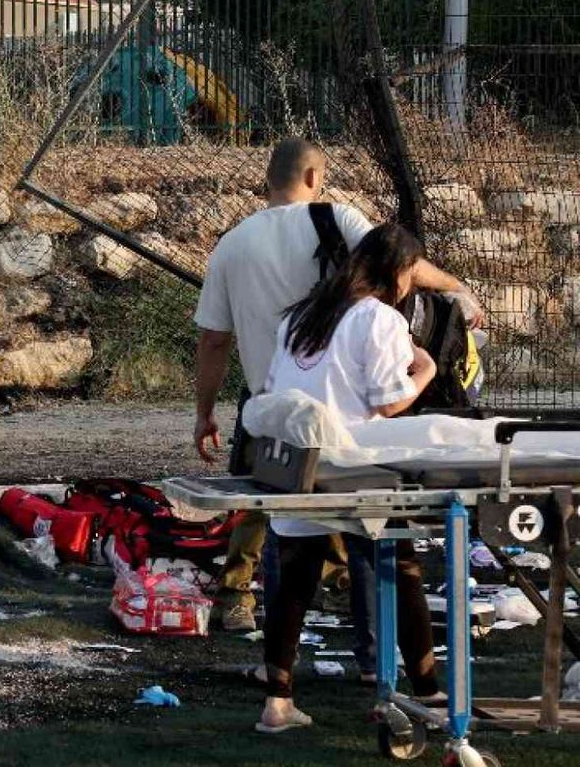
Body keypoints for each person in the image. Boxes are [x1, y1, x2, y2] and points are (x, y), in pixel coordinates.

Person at [193, 138, 481, 634]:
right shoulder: (336, 219)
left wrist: (204, 412)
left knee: (264, 499)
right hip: (338, 401)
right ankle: (366, 631)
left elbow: (214, 339)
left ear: (268, 179)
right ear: (313, 177)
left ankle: (241, 598)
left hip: (269, 398)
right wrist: (455, 287)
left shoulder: (232, 244)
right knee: (360, 513)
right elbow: (395, 261)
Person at [254, 223, 443, 733]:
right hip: (356, 466)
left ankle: (277, 702)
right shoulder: (379, 318)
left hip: (299, 463)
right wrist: (424, 370)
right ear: (399, 273)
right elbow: (388, 401)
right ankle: (429, 690)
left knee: (295, 580)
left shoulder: (300, 315)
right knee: (400, 568)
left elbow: (275, 386)